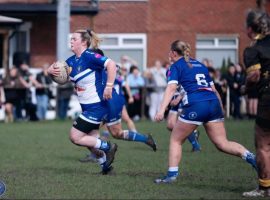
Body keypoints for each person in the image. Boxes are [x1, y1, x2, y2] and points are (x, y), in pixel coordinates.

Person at [154, 40, 257, 184]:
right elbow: (214, 90)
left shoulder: (175, 67)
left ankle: (171, 176)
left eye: (169, 51)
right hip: (213, 104)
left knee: (176, 139)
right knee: (222, 143)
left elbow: (171, 89)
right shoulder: (201, 65)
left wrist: (161, 110)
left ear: (173, 53)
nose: (168, 54)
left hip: (196, 105)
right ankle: (252, 157)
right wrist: (221, 109)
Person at [47, 29, 119, 174]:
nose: (71, 41)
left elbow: (111, 65)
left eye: (74, 39)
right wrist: (50, 73)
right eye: (71, 39)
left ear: (84, 42)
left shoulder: (90, 56)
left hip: (97, 106)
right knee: (91, 142)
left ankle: (107, 147)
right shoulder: (71, 61)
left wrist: (109, 87)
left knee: (75, 136)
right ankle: (106, 167)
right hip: (87, 108)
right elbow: (63, 80)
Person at [79, 49, 156, 163]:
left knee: (86, 131)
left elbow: (118, 71)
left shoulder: (104, 67)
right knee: (116, 133)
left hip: (110, 101)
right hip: (108, 101)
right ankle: (145, 139)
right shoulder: (98, 67)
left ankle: (99, 155)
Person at [242, 9, 270, 197]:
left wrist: (245, 86)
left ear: (250, 28)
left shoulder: (254, 49)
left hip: (268, 97)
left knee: (263, 144)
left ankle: (265, 187)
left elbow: (254, 76)